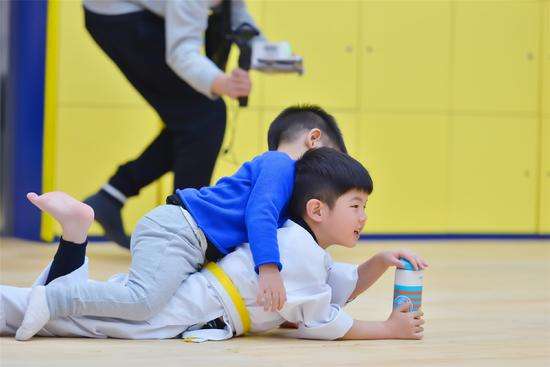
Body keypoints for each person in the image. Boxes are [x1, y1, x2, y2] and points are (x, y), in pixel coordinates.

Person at [3, 148, 428, 341]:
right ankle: (46, 294)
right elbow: (325, 323)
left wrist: (379, 262)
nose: (363, 217)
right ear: (316, 209)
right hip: (192, 304)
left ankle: (73, 243)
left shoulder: (302, 248)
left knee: (105, 308)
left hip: (196, 295)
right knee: (97, 317)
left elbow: (338, 286)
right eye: (356, 205)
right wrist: (389, 330)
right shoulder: (291, 249)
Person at [13, 106, 349, 341]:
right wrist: (269, 269)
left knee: (142, 300)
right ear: (313, 139)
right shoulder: (281, 165)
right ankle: (54, 300)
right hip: (181, 230)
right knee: (142, 301)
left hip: (186, 236)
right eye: (328, 159)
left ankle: (74, 239)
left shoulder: (278, 172)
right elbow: (259, 214)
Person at [82, 0, 263, 249]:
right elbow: (181, 53)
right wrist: (222, 83)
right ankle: (181, 231)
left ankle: (113, 196)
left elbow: (238, 17)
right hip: (117, 14)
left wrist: (274, 57)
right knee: (204, 114)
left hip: (137, 9)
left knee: (195, 118)